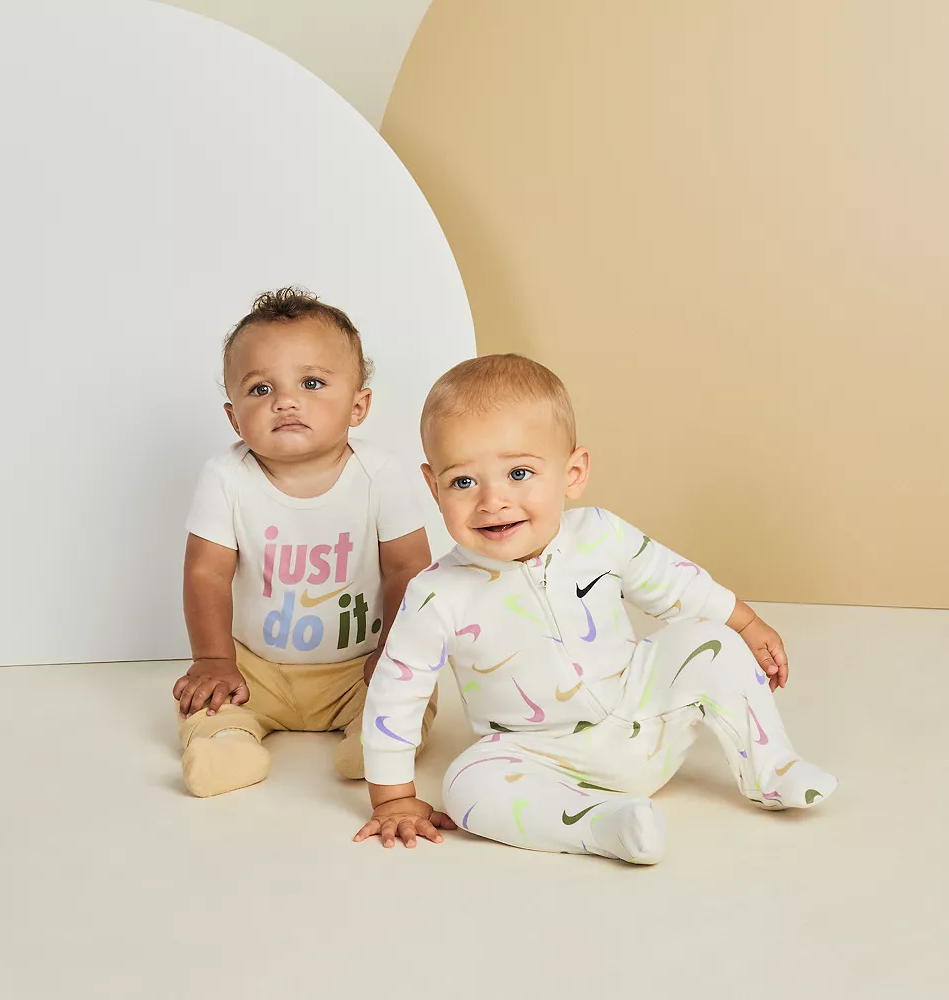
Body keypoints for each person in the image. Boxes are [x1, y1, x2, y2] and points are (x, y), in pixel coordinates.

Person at [354, 354, 836, 861]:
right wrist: (393, 797)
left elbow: (677, 584)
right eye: (463, 482)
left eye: (519, 473)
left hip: (644, 714)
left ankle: (772, 768)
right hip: (538, 756)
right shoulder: (436, 594)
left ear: (573, 473)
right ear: (434, 488)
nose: (493, 501)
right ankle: (607, 825)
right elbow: (396, 692)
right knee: (465, 786)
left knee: (709, 637)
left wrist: (747, 624)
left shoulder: (601, 535)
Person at [173, 288, 436, 797]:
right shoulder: (226, 477)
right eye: (260, 389)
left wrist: (392, 649)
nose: (285, 401)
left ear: (358, 406)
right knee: (204, 699)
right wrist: (214, 659)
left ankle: (377, 740)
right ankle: (226, 742)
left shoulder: (380, 474)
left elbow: (408, 570)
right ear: (234, 417)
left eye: (311, 383)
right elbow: (206, 573)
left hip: (359, 667)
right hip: (254, 667)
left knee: (410, 691)